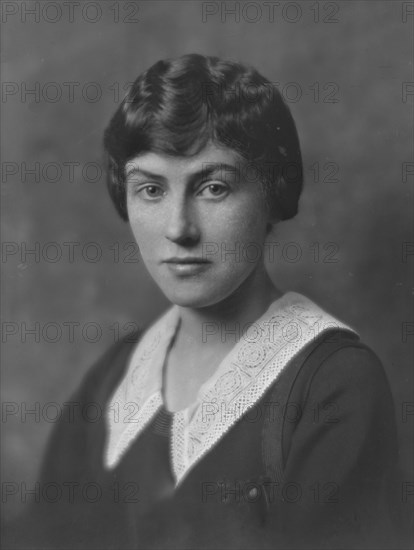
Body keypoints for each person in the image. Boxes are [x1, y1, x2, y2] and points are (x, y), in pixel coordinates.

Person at [13, 54, 402, 549]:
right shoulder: (118, 375)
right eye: (151, 189)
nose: (179, 228)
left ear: (271, 192)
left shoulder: (333, 385)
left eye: (213, 187)